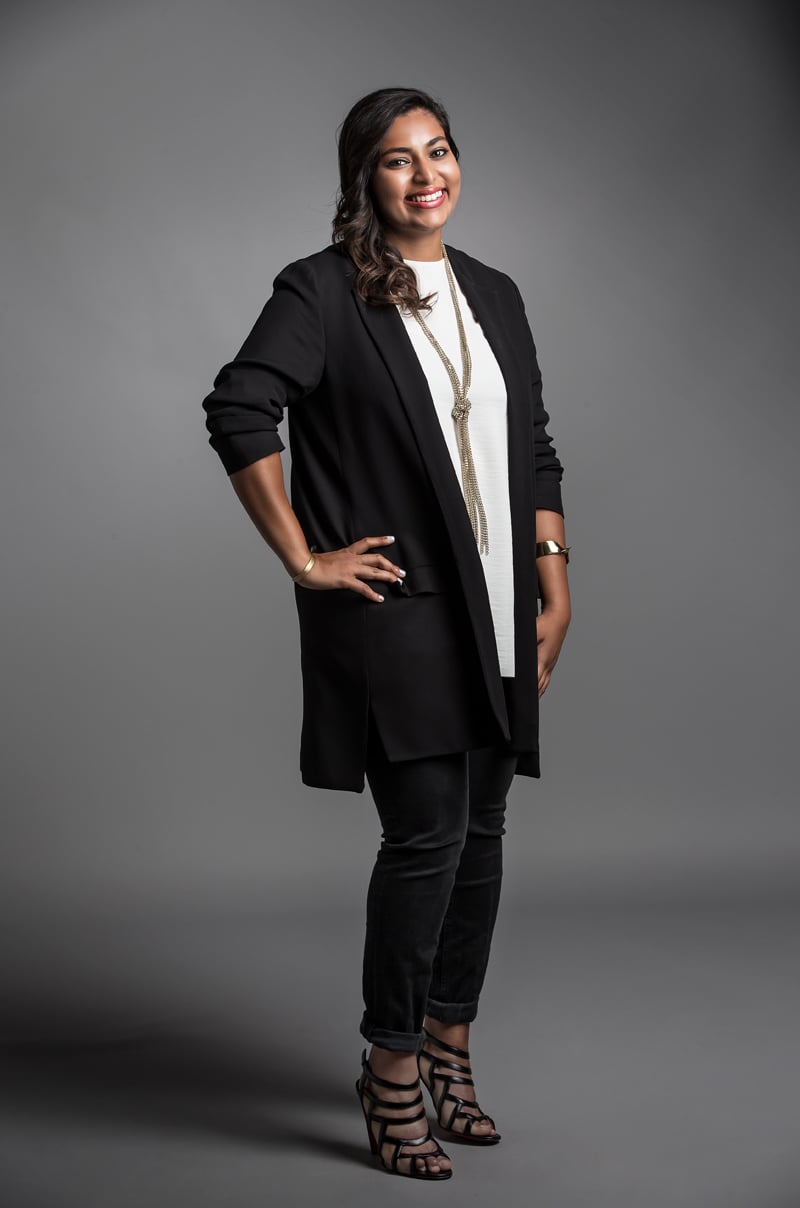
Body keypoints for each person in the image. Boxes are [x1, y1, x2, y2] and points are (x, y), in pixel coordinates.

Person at [201, 86, 571, 1181]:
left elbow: (534, 445)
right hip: (401, 609)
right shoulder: (320, 292)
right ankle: (392, 1062)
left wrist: (554, 581)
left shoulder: (495, 293)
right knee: (427, 836)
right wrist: (304, 557)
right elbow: (238, 407)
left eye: (439, 150)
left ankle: (451, 1040)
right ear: (364, 178)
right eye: (399, 159)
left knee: (483, 831)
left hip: (498, 605)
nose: (426, 175)